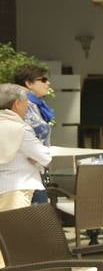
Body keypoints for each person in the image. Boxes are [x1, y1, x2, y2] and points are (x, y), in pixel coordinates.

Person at [0, 83, 51, 211]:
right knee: (16, 230)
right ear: (17, 103)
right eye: (26, 103)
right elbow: (44, 156)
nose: (27, 106)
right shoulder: (20, 128)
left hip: (5, 187)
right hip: (18, 188)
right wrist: (38, 158)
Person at [12, 64, 53, 203]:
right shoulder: (24, 105)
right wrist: (37, 153)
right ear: (28, 83)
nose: (48, 83)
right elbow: (24, 133)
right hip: (24, 172)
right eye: (43, 79)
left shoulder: (37, 105)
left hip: (36, 168)